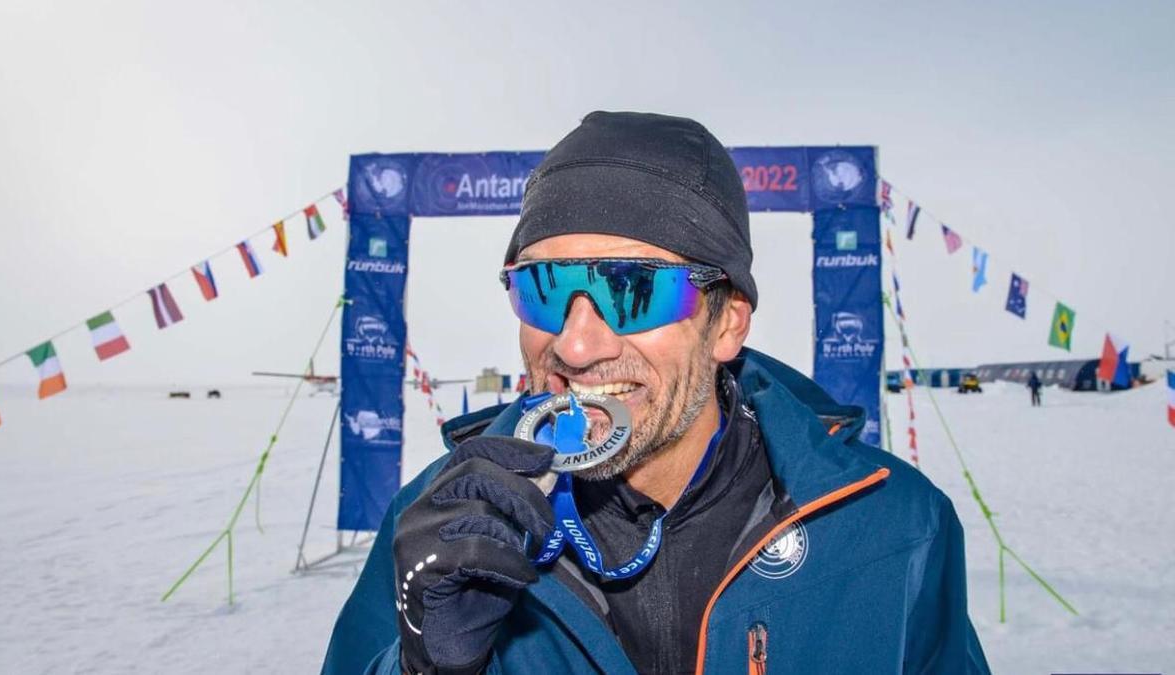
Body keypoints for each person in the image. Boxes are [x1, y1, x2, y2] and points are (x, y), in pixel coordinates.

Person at [323, 112, 990, 674]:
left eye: (633, 288)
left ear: (726, 321)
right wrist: (425, 665)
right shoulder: (442, 517)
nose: (578, 345)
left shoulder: (895, 526)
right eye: (544, 287)